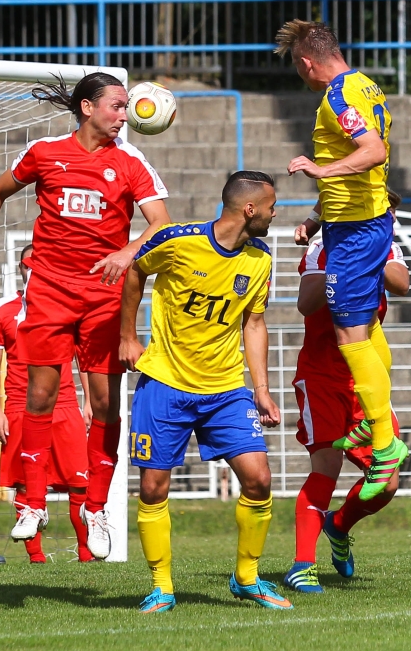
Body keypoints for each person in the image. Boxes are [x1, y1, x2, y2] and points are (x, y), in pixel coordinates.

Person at [0, 72, 170, 559]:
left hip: (105, 294)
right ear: (88, 107)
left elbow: (161, 223)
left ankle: (96, 508)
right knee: (41, 394)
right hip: (49, 289)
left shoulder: (131, 161)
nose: (124, 115)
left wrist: (127, 251)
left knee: (105, 404)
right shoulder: (46, 152)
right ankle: (31, 503)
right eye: (116, 106)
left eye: (126, 107)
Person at [119, 171, 292, 613]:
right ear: (249, 209)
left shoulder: (260, 259)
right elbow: (135, 271)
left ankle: (247, 578)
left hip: (226, 388)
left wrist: (262, 390)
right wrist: (128, 337)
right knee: (154, 489)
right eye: (272, 206)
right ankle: (162, 587)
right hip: (166, 383)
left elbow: (253, 323)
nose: (276, 213)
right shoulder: (178, 240)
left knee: (259, 479)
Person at [276, 19, 405, 501]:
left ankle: (385, 444)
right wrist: (316, 218)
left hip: (356, 234)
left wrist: (319, 168)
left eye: (298, 68)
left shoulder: (336, 96)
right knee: (368, 332)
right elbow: (363, 166)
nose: (301, 76)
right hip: (361, 222)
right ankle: (378, 431)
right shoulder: (365, 84)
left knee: (350, 337)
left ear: (308, 61)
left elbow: (371, 151)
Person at [285, 193, 409, 593]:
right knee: (326, 467)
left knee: (387, 480)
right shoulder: (323, 246)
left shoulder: (385, 243)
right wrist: (342, 262)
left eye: (391, 211)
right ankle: (302, 565)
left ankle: (338, 525)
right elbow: (305, 304)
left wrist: (370, 253)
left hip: (364, 381)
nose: (389, 216)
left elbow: (402, 284)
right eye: (382, 210)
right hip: (321, 376)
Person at [0, 244, 94, 564]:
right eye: (27, 264)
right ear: (19, 268)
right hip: (19, 405)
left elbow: (81, 357)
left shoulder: (68, 306)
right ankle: (36, 558)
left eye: (39, 264)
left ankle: (87, 554)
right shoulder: (3, 309)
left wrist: (87, 402)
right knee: (25, 482)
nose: (32, 269)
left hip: (65, 404)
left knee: (78, 482)